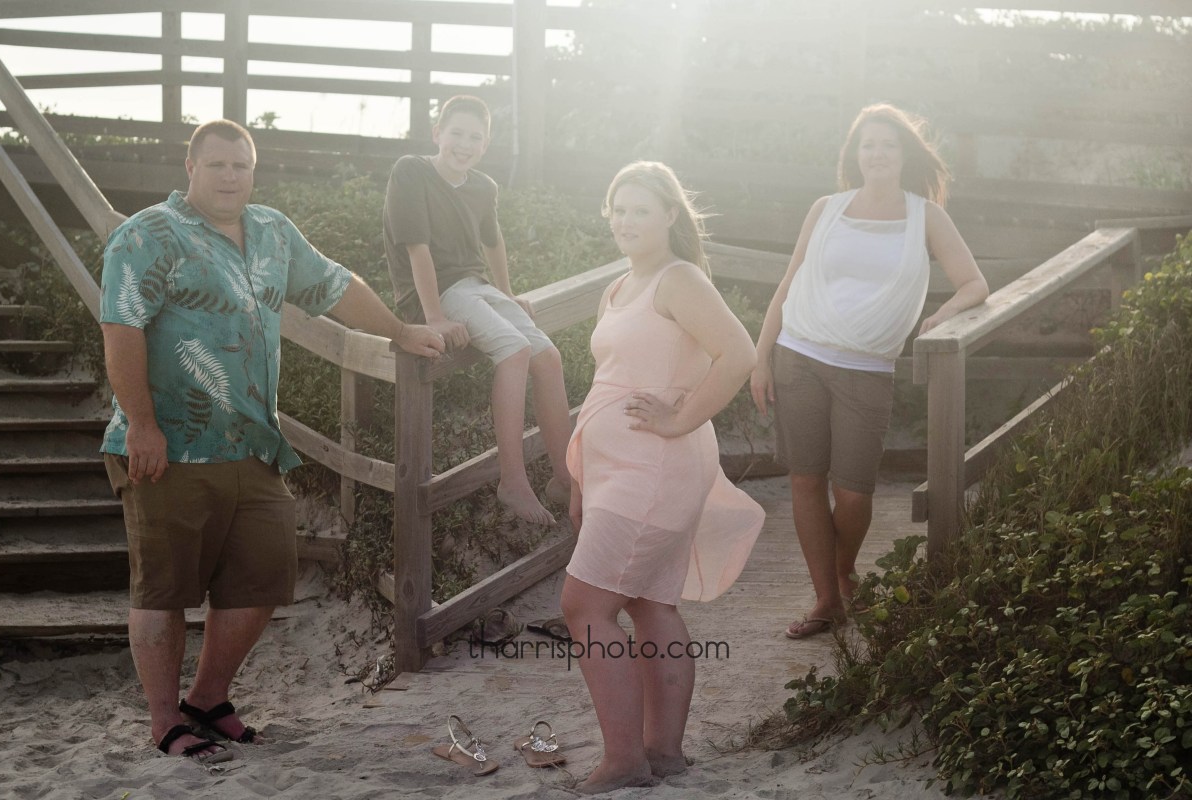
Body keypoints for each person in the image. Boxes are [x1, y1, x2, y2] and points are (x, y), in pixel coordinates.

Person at [99, 119, 444, 763]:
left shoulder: (272, 232)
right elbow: (121, 329)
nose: (231, 176)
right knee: (163, 592)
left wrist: (400, 332)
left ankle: (207, 699)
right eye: (218, 164)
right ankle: (165, 721)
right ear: (191, 167)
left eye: (242, 165)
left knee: (263, 580)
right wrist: (142, 425)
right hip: (169, 447)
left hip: (256, 446)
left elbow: (337, 286)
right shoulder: (146, 234)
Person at [561, 161, 764, 794]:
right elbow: (609, 382)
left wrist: (680, 420)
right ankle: (662, 754)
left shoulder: (679, 280)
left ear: (671, 216)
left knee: (584, 604)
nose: (626, 221)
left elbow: (740, 354)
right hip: (617, 469)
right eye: (618, 210)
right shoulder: (619, 287)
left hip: (655, 467)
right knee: (649, 601)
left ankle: (624, 761)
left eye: (641, 210)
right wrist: (582, 478)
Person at [750, 103, 989, 639]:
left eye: (888, 145)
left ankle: (843, 571)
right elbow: (788, 283)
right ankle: (827, 599)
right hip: (798, 356)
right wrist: (760, 357)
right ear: (854, 155)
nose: (877, 154)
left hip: (867, 369)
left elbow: (974, 284)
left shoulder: (926, 216)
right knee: (806, 480)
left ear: (905, 155)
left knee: (855, 491)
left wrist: (941, 316)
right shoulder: (826, 209)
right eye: (868, 145)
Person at [383, 94, 572, 525]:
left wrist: (508, 292)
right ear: (438, 133)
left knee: (548, 356)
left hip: (477, 287)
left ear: (485, 145)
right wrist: (433, 316)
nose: (464, 144)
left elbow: (493, 240)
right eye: (456, 133)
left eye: (475, 137)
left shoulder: (484, 187)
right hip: (435, 294)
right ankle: (513, 482)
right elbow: (417, 248)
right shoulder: (411, 171)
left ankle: (565, 478)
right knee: (514, 350)